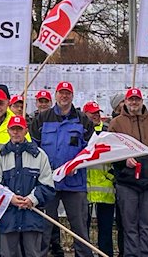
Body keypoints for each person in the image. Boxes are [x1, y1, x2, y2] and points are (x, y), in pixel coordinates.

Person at [30, 81, 94, 257]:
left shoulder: (83, 120)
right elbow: (34, 149)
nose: (64, 96)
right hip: (48, 182)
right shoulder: (41, 119)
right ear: (55, 95)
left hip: (74, 183)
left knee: (80, 227)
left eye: (67, 93)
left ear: (72, 96)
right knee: (44, 226)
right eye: (61, 92)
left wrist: (77, 165)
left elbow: (91, 150)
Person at [109, 87, 148, 257]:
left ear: (142, 101)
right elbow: (108, 150)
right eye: (131, 99)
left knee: (147, 225)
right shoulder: (116, 123)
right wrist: (123, 161)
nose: (134, 102)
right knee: (130, 226)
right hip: (127, 183)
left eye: (137, 99)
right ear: (125, 102)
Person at [0, 115, 56, 257]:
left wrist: (32, 199)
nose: (16, 132)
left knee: (33, 254)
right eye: (13, 129)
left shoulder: (39, 155)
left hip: (32, 216)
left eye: (19, 129)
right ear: (8, 130)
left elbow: (48, 186)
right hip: (8, 217)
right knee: (8, 254)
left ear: (26, 131)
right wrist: (10, 197)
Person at [83, 101, 116, 257]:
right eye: (92, 113)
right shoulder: (81, 132)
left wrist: (111, 176)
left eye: (97, 112)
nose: (96, 115)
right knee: (83, 229)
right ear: (85, 115)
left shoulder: (107, 132)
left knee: (106, 229)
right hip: (85, 189)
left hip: (105, 187)